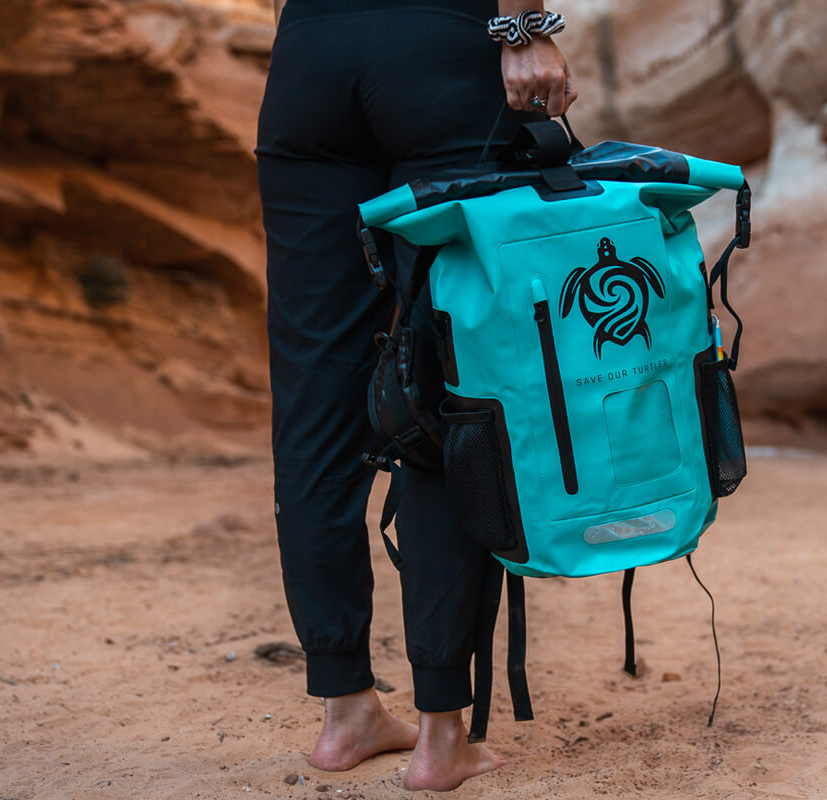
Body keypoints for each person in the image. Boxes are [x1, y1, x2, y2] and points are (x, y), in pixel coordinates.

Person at [255, 0, 578, 791]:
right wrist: (525, 28)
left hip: (308, 54)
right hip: (441, 49)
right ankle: (440, 731)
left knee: (312, 397)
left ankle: (346, 710)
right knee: (452, 382)